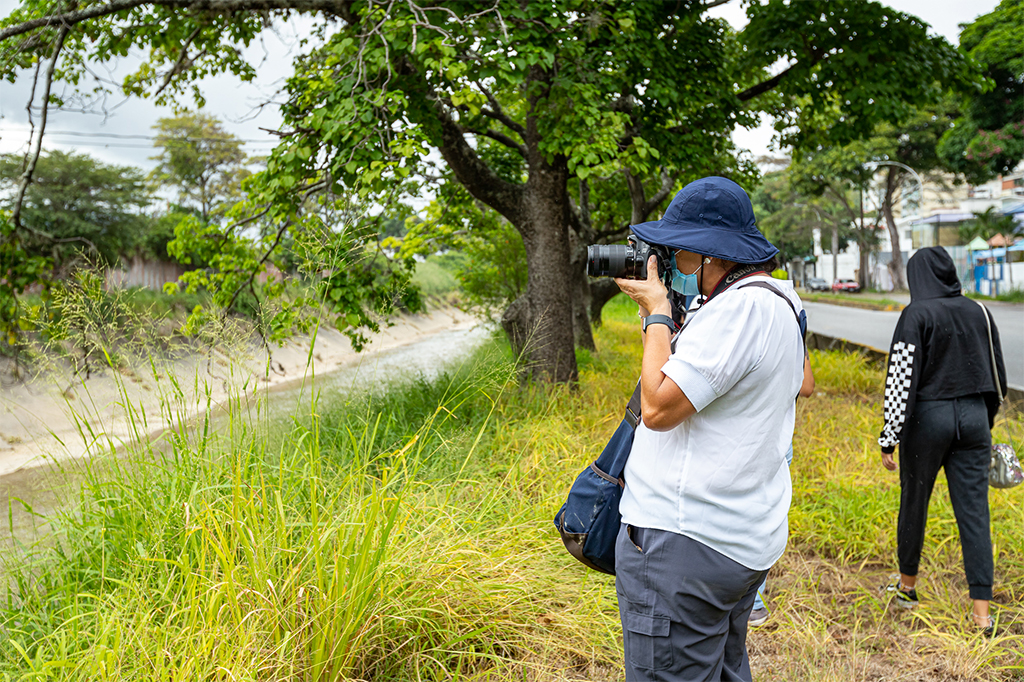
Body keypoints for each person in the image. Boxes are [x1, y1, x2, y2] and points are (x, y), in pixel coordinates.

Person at [613, 176, 805, 681]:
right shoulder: (778, 303)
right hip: (736, 539)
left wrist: (657, 311)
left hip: (687, 544)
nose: (673, 263)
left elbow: (657, 407)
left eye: (679, 252)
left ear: (711, 255)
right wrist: (657, 318)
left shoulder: (740, 310)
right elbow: (692, 379)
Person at [877, 246, 1007, 635]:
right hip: (975, 419)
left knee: (914, 501)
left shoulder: (916, 314)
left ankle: (907, 589)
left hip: (927, 419)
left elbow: (901, 378)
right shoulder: (979, 311)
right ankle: (982, 615)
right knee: (975, 513)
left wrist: (889, 436)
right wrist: (985, 420)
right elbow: (997, 372)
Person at [748, 354, 815, 628]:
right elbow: (807, 386)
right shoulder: (792, 324)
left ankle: (748, 601)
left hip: (749, 435)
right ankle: (754, 601)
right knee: (765, 514)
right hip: (779, 438)